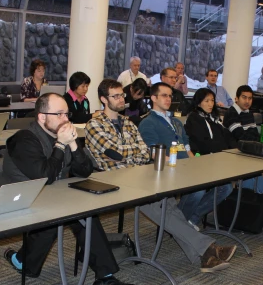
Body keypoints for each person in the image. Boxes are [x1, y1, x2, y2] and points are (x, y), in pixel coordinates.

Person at [85, 78, 236, 273]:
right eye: (116, 96)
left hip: (138, 174)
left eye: (122, 95)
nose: (122, 99)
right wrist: (133, 152)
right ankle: (208, 248)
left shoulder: (128, 122)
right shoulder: (94, 124)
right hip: (113, 180)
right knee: (159, 206)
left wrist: (131, 152)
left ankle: (205, 256)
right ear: (103, 99)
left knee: (168, 204)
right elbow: (115, 153)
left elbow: (145, 151)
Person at [0, 93, 137, 285]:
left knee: (85, 212)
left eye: (67, 113)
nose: (66, 119)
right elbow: (45, 176)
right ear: (42, 117)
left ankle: (105, 277)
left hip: (53, 194)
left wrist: (73, 144)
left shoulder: (64, 135)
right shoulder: (24, 139)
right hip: (21, 196)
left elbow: (85, 170)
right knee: (57, 218)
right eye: (59, 114)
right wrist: (61, 145)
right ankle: (23, 261)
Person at [139, 82, 232, 229]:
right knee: (198, 189)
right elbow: (153, 153)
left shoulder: (176, 121)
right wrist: (179, 166)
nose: (169, 99)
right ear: (153, 98)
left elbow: (187, 147)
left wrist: (195, 164)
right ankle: (177, 224)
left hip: (187, 165)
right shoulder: (147, 122)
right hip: (168, 168)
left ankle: (189, 220)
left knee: (225, 187)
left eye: (170, 96)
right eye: (164, 95)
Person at [184, 88, 263, 196]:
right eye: (207, 101)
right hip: (208, 159)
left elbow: (228, 137)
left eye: (212, 100)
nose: (211, 104)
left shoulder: (213, 118)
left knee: (250, 169)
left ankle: (259, 198)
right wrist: (227, 154)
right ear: (198, 103)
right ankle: (262, 198)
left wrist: (236, 150)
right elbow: (204, 144)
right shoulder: (194, 118)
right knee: (247, 171)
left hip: (224, 156)